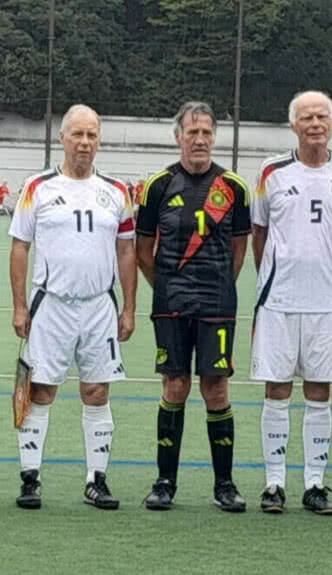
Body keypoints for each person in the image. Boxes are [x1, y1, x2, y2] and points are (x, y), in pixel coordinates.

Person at [9, 104, 136, 510]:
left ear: (100, 140)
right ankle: (30, 478)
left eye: (92, 135)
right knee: (39, 389)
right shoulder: (37, 187)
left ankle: (96, 480)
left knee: (97, 391)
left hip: (99, 306)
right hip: (51, 306)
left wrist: (129, 307)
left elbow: (127, 251)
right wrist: (18, 305)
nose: (84, 142)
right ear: (63, 137)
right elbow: (19, 247)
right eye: (77, 134)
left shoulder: (116, 192)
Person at [135, 101, 251, 512]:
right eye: (192, 132)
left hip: (217, 303)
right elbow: (143, 250)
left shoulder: (234, 187)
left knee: (216, 388)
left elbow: (239, 249)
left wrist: (217, 285)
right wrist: (167, 286)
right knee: (175, 386)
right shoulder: (158, 185)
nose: (199, 140)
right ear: (178, 137)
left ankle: (225, 485)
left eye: (206, 132)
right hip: (171, 304)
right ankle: (165, 482)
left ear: (214, 136)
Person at [252, 91, 332, 515]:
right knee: (276, 390)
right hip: (278, 303)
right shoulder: (272, 171)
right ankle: (274, 483)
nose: (315, 124)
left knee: (320, 391)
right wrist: (271, 281)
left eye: (323, 117)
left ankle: (315, 483)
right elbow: (259, 233)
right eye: (307, 117)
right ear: (293, 124)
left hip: (325, 304)